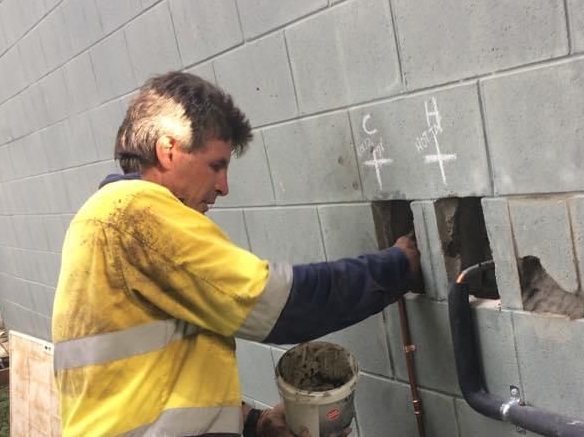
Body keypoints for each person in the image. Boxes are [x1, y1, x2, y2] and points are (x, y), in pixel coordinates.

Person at [52, 72, 422, 437]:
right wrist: (395, 266)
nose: (223, 187)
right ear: (168, 150)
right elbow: (275, 304)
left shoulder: (104, 222)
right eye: (216, 165)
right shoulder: (136, 214)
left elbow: (157, 376)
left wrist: (253, 423)